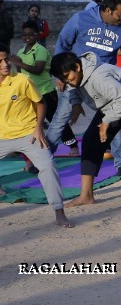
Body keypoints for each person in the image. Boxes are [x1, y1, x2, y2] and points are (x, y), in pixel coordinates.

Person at [49, 51, 121, 206]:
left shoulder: (99, 76)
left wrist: (106, 122)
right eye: (62, 79)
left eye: (67, 77)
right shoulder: (75, 77)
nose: (67, 81)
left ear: (77, 67)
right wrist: (76, 104)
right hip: (110, 107)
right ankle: (86, 195)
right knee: (91, 141)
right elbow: (73, 87)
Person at [50, 0, 121, 174]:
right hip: (74, 76)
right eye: (119, 15)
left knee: (112, 116)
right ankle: (42, 158)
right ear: (107, 11)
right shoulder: (80, 19)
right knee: (61, 118)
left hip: (103, 79)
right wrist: (61, 74)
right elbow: (63, 43)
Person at [0, 45, 73, 228]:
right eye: (0, 61)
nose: (5, 64)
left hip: (29, 134)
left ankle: (59, 212)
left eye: (7, 59)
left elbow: (40, 103)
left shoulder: (22, 80)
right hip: (2, 137)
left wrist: (38, 128)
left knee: (48, 166)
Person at [12, 23, 56, 123]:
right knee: (34, 122)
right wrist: (18, 65)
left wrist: (19, 63)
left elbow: (38, 70)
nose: (27, 37)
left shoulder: (41, 50)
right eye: (24, 34)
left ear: (37, 35)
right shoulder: (20, 52)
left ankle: (69, 139)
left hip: (45, 91)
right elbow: (21, 74)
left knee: (54, 120)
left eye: (30, 34)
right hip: (31, 93)